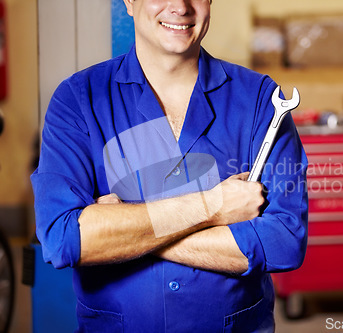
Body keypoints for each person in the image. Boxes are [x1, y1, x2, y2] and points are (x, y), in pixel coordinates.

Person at [31, 0, 308, 331]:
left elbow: (284, 242)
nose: (180, 6)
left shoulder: (261, 101)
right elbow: (63, 238)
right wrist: (213, 207)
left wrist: (120, 231)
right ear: (130, 2)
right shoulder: (78, 100)